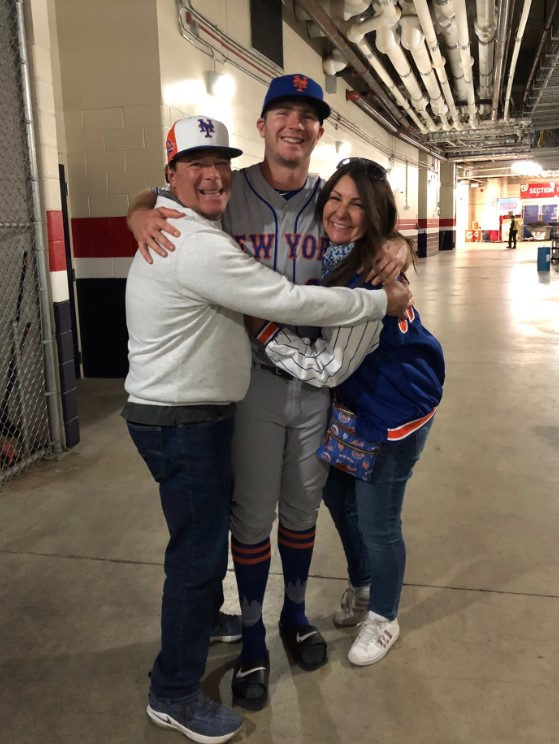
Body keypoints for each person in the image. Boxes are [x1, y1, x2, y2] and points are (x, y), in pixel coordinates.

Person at [127, 74, 410, 711]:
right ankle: (252, 633)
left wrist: (399, 242)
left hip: (318, 388)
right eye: (282, 111)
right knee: (252, 516)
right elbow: (167, 187)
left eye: (308, 115)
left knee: (302, 512)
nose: (295, 124)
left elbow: (373, 226)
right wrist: (137, 207)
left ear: (318, 130)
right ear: (261, 124)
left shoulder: (327, 198)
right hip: (250, 383)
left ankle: (295, 615)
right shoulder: (228, 191)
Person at [247, 157, 445, 667]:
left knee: (380, 521)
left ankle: (384, 616)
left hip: (394, 412)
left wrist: (264, 331)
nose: (341, 210)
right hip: (357, 407)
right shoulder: (338, 253)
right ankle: (361, 586)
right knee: (338, 495)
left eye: (358, 205)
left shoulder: (372, 279)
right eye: (335, 197)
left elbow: (328, 367)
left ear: (376, 215)